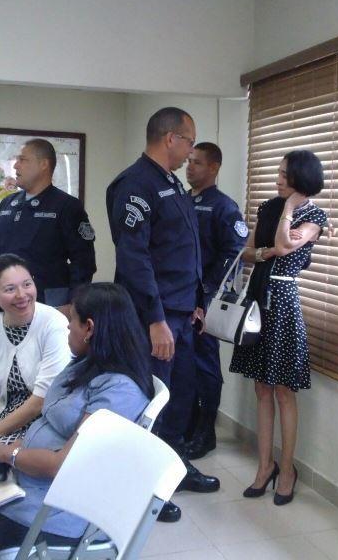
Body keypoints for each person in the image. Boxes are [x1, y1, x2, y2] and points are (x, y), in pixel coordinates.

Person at [106, 107, 219, 524]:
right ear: (171, 138)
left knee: (180, 395)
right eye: (190, 142)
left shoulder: (170, 183)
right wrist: (155, 319)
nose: (191, 152)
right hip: (154, 316)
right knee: (150, 401)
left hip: (181, 312)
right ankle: (145, 486)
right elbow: (134, 258)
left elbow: (183, 250)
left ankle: (174, 469)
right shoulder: (136, 185)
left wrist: (197, 301)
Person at [0, 282, 153, 550]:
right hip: (29, 484)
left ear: (89, 328)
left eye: (72, 319)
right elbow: (48, 422)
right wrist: (13, 450)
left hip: (58, 513)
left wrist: (9, 454)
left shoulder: (119, 391)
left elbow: (62, 465)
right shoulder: (87, 364)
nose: (67, 327)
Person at [230, 149, 328, 506]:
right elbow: (247, 252)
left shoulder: (314, 215)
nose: (278, 179)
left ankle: (286, 471)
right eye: (279, 172)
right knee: (261, 387)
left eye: (285, 174)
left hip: (284, 301)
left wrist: (288, 208)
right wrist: (264, 252)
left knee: (284, 390)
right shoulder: (267, 208)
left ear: (302, 178)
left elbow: (286, 246)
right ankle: (264, 467)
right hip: (258, 296)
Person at [0, 139, 96, 319]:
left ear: (43, 164)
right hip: (8, 304)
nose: (15, 165)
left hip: (50, 304)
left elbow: (84, 262)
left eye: (23, 159)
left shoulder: (67, 206)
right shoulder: (7, 204)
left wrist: (73, 303)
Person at [0, 254, 71, 458]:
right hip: (5, 417)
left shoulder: (53, 323)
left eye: (27, 284)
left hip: (44, 423)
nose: (22, 295)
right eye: (10, 289)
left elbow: (42, 400)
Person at [184, 142, 248, 460]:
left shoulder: (224, 207)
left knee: (205, 365)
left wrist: (207, 292)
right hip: (179, 296)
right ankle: (187, 424)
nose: (189, 167)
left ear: (214, 168)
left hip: (205, 299)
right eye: (188, 161)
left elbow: (235, 252)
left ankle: (205, 431)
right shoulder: (181, 200)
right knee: (183, 364)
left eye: (197, 162)